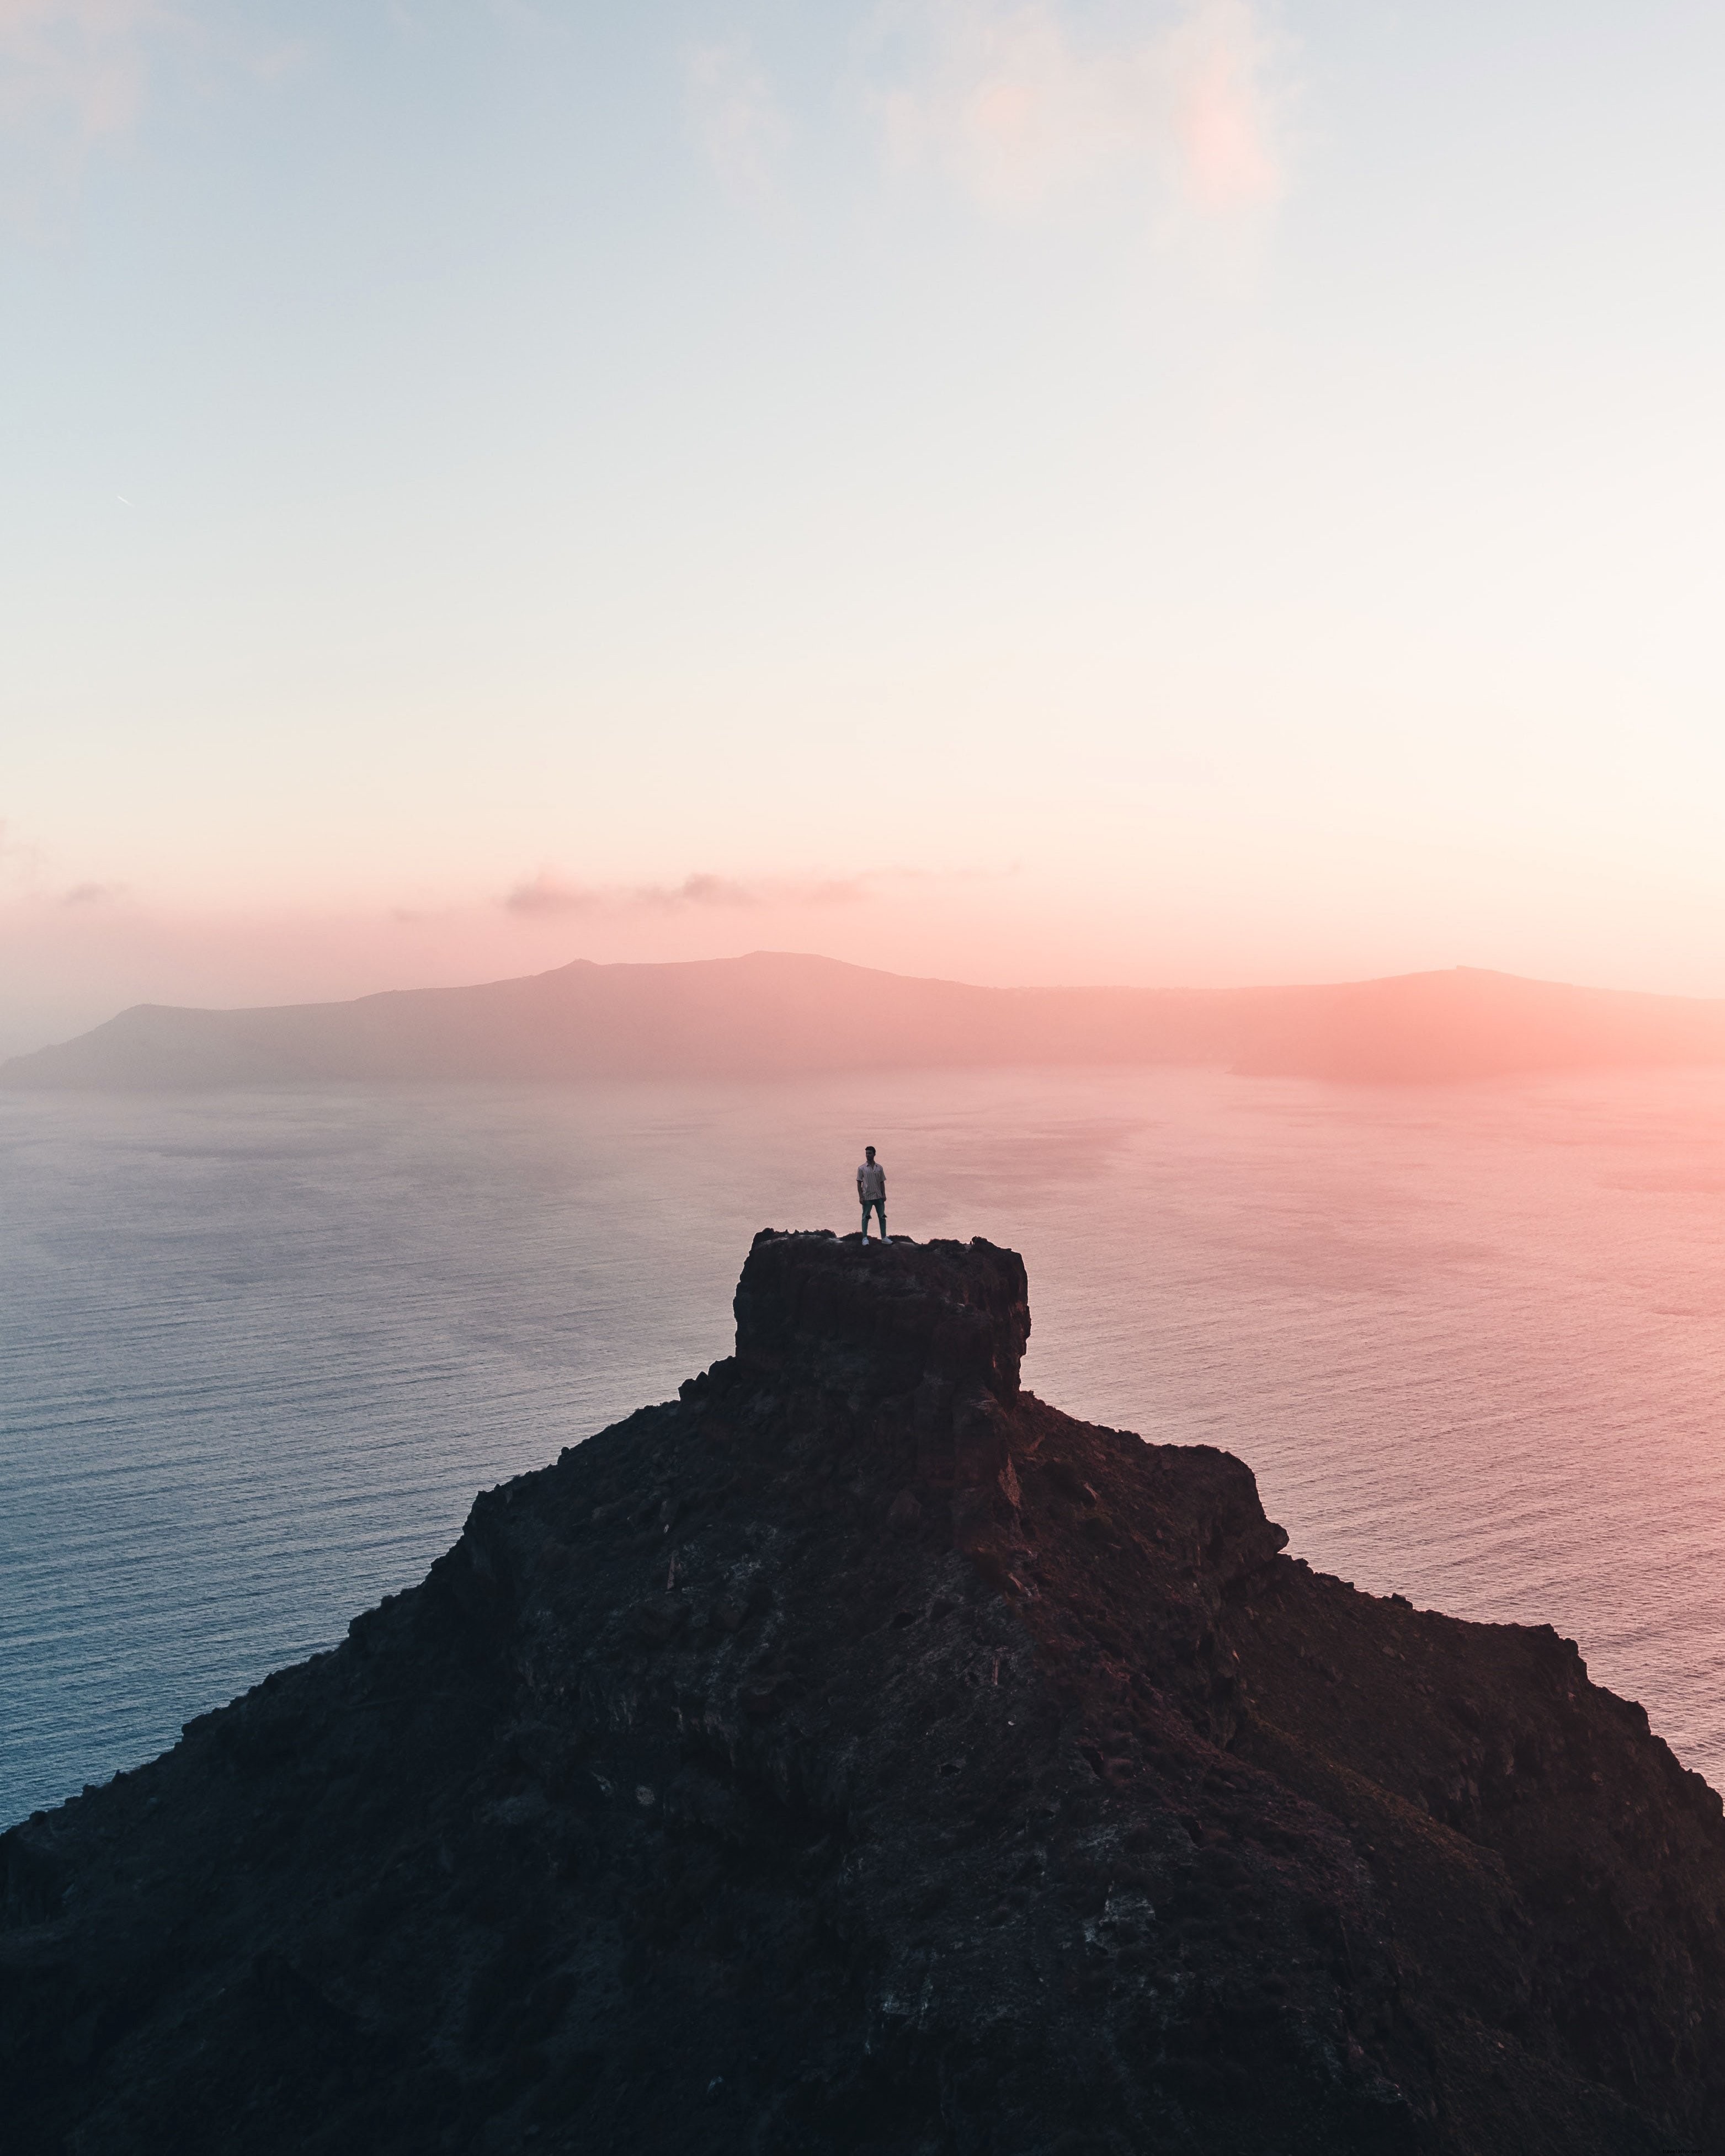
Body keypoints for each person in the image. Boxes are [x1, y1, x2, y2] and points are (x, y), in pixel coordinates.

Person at [856, 1146, 887, 1241]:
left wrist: (884, 1194)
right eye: (867, 1153)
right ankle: (865, 1238)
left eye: (870, 1153)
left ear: (874, 1154)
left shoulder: (879, 1168)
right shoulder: (862, 1168)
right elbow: (859, 1183)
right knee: (865, 1217)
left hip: (879, 1196)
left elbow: (882, 1182)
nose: (868, 1155)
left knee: (882, 1217)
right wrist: (861, 1197)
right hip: (867, 1197)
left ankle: (884, 1237)